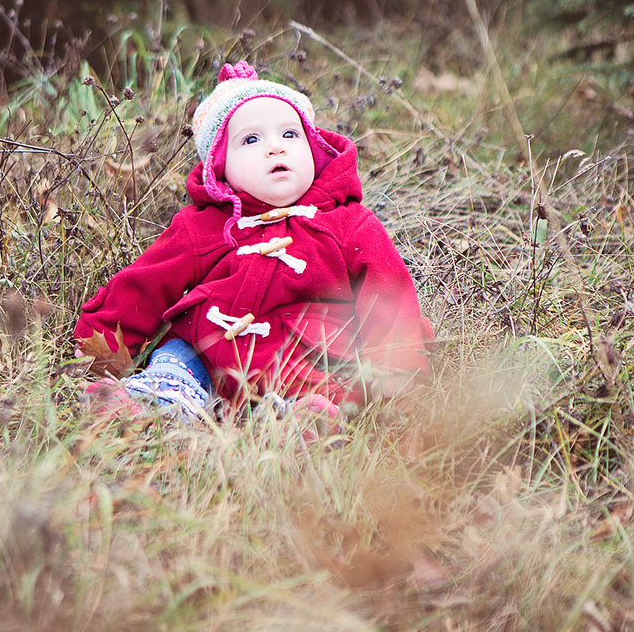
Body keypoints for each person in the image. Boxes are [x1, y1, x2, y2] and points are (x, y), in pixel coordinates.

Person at [75, 60, 434, 435]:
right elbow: (146, 283)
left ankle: (299, 422)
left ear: (314, 148)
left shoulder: (348, 224)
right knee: (175, 362)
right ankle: (154, 402)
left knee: (322, 389)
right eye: (251, 140)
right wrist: (100, 342)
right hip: (207, 352)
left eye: (290, 134)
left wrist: (398, 369)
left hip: (307, 358)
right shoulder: (202, 226)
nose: (275, 148)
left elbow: (389, 296)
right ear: (220, 167)